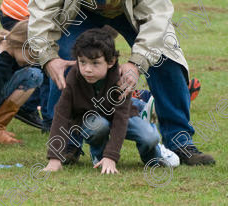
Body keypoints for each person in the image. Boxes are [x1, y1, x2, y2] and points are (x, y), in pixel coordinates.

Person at [27, 0, 215, 165]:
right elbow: (42, 8)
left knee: (166, 58)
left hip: (129, 8)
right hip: (80, 8)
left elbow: (157, 16)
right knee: (66, 58)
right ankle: (67, 145)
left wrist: (137, 63)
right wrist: (47, 57)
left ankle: (180, 142)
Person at [0, 0, 92, 131]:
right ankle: (48, 117)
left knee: (40, 61)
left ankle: (31, 107)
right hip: (20, 16)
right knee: (50, 59)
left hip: (11, 9)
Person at [43, 28, 177, 173]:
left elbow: (120, 119)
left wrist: (111, 157)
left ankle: (154, 155)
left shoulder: (122, 79)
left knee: (149, 137)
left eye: (95, 63)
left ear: (111, 61)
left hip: (123, 116)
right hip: (91, 120)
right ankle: (99, 156)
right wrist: (54, 158)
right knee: (99, 126)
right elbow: (61, 115)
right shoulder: (74, 78)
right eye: (82, 62)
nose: (87, 69)